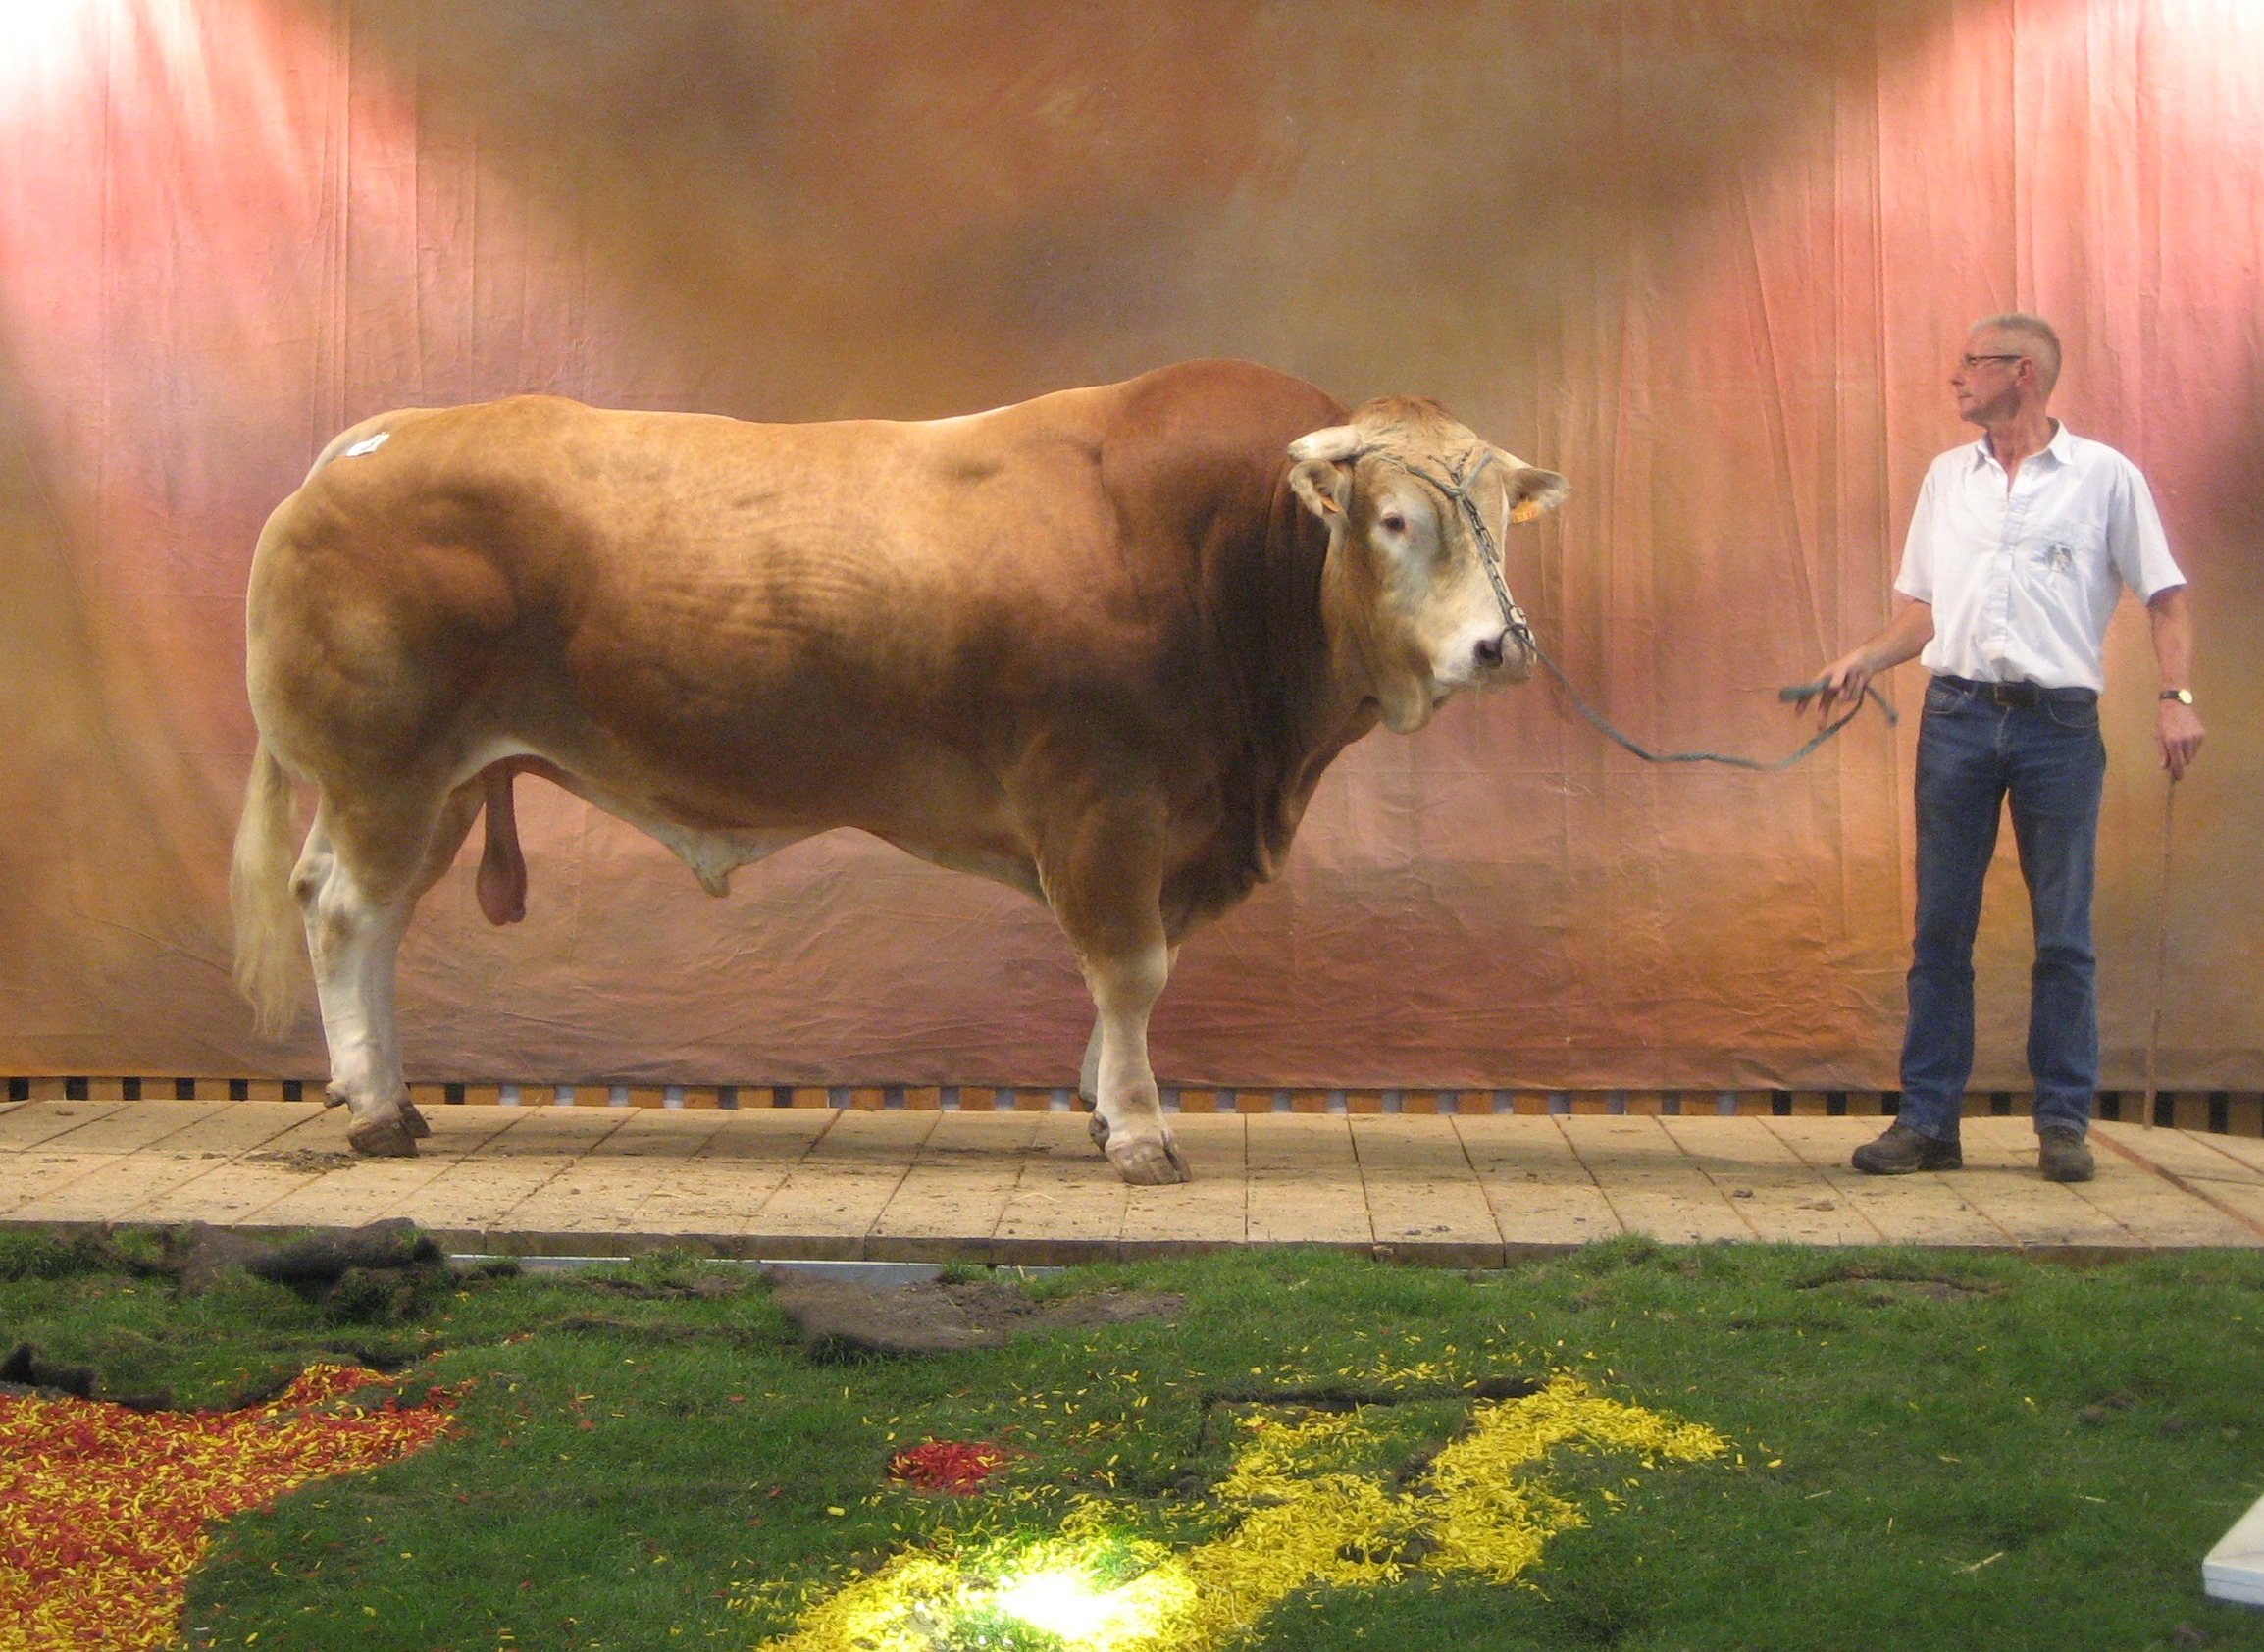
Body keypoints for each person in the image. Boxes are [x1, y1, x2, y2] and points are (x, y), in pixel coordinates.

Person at [1811, 313, 2203, 1183]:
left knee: (2063, 934)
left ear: (2021, 372)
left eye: (1970, 364)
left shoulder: (2105, 478)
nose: (1955, 377)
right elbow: (1925, 609)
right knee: (1939, 930)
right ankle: (1928, 1124)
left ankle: (2063, 1124)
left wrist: (2175, 700)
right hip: (1955, 718)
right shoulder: (1949, 478)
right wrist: (1866, 659)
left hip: (2057, 727)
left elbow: (2166, 596)